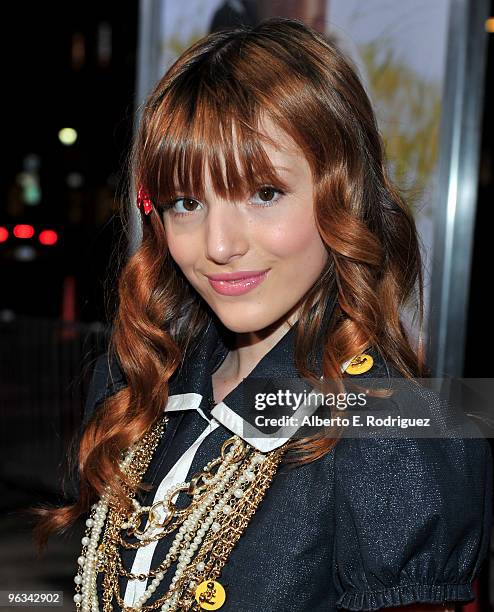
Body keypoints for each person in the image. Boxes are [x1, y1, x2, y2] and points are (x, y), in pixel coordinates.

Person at [32, 17, 492, 612]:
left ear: (342, 193)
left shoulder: (398, 431)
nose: (219, 244)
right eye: (186, 202)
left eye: (263, 193)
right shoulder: (137, 388)